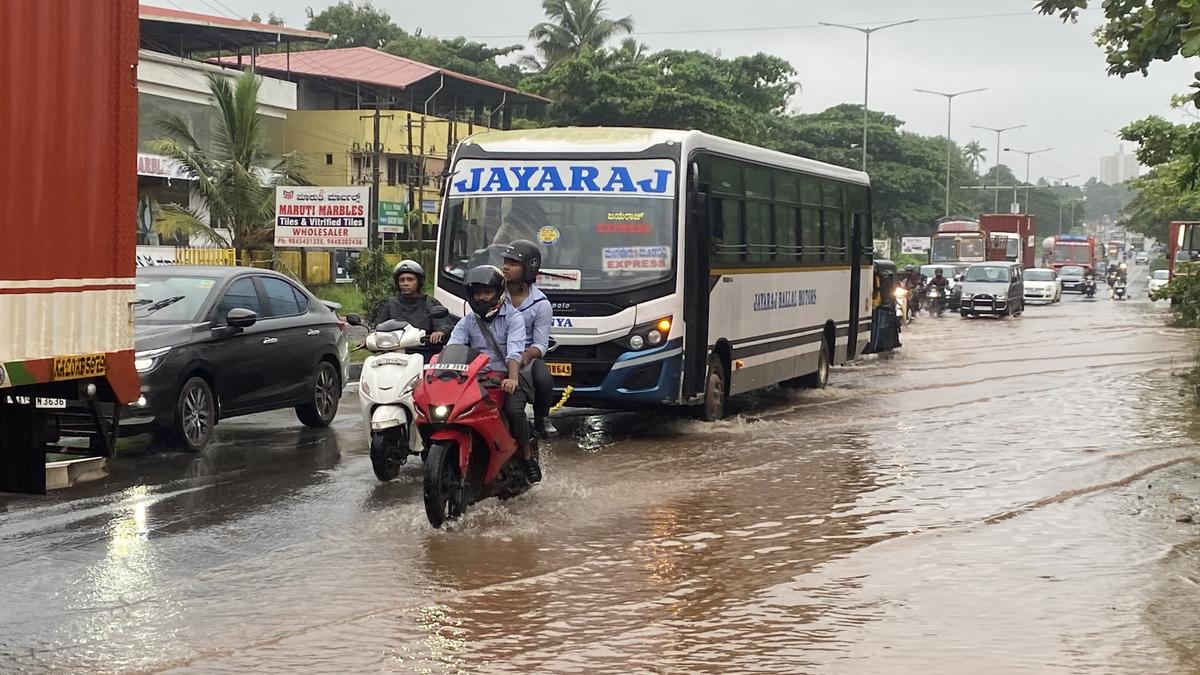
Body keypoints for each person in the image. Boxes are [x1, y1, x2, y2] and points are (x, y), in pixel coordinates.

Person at [446, 265, 541, 482]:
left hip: (505, 377)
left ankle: (526, 458)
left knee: (514, 411)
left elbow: (515, 351)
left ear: (498, 293)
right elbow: (452, 348)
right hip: (474, 378)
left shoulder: (513, 318)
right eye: (477, 293)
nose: (481, 298)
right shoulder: (467, 321)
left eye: (486, 292)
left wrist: (512, 378)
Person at [501, 239, 557, 439]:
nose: (506, 267)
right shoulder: (494, 296)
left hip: (524, 360)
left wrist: (524, 355)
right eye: (505, 262)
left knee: (543, 376)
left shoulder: (541, 304)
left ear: (529, 269)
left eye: (513, 263)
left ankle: (542, 418)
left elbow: (541, 345)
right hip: (495, 354)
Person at [374, 260, 455, 350]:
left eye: (410, 279)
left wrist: (441, 332)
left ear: (419, 282)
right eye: (402, 280)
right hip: (395, 352)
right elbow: (379, 329)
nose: (405, 283)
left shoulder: (430, 303)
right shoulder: (390, 304)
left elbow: (445, 324)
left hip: (424, 352)